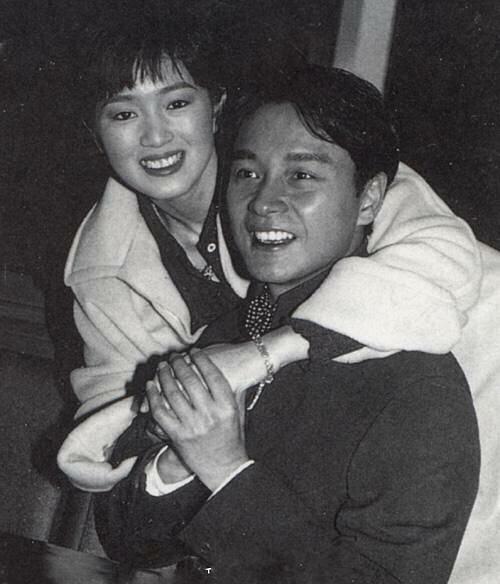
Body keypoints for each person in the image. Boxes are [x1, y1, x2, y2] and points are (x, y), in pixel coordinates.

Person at [93, 66, 479, 584]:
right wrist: (179, 460)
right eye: (247, 173)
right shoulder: (230, 333)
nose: (264, 201)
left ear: (369, 198)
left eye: (301, 175)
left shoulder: (416, 383)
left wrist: (224, 467)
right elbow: (127, 540)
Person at [64, 4, 480, 425]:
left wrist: (260, 355)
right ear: (94, 133)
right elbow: (106, 422)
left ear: (216, 106)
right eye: (124, 114)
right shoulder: (100, 268)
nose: (155, 136)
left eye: (176, 103)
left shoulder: (309, 157)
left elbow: (450, 264)